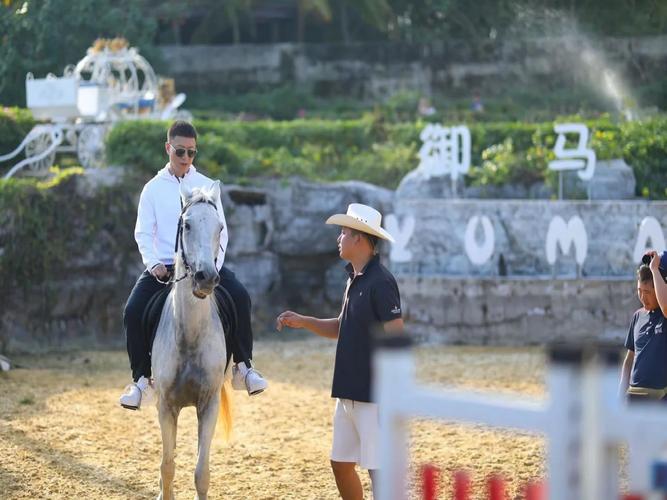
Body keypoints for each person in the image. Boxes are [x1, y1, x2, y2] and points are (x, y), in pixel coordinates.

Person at [119, 120, 267, 410]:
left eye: (191, 152)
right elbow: (142, 232)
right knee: (132, 311)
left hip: (204, 266)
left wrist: (212, 265)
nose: (186, 158)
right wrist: (152, 265)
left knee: (240, 297)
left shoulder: (207, 186)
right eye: (180, 151)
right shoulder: (151, 189)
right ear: (168, 149)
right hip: (164, 268)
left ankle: (243, 367)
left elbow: (221, 232)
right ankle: (141, 381)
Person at [276, 203, 404, 499]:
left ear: (359, 238)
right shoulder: (354, 279)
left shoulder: (382, 282)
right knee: (341, 464)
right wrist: (304, 321)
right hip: (347, 390)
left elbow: (396, 336)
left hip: (373, 394)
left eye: (343, 232)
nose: (339, 238)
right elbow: (341, 327)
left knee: (378, 469)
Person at [619, 250, 667, 401]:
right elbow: (629, 360)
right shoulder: (637, 316)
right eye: (639, 291)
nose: (642, 297)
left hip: (660, 399)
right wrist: (620, 396)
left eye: (647, 292)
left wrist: (654, 270)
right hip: (633, 397)